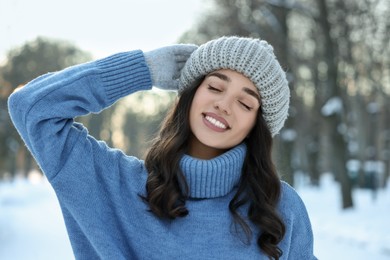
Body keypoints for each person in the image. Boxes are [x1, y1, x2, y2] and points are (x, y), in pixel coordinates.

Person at [8, 36, 316, 259]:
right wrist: (143, 69)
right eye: (215, 87)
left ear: (256, 126)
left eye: (245, 103)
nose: (224, 104)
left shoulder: (279, 209)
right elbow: (32, 107)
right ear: (191, 94)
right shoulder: (112, 184)